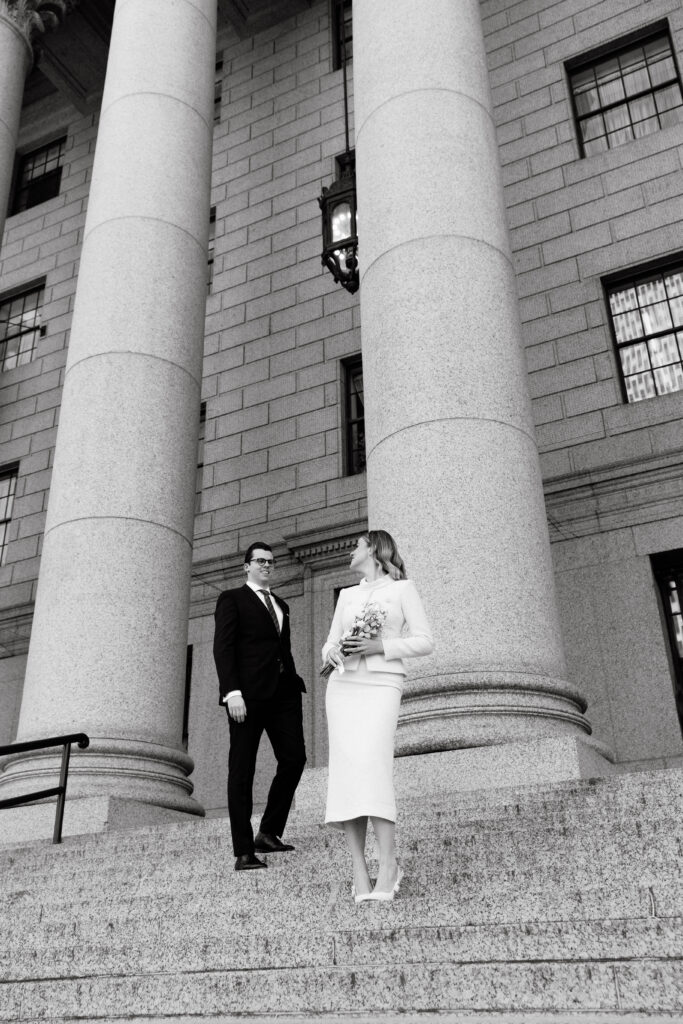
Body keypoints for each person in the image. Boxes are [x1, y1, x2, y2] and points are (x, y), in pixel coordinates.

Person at [321, 529, 434, 902]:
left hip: (382, 684)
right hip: (343, 687)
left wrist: (379, 646)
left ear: (373, 549)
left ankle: (389, 863)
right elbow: (330, 639)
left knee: (373, 767)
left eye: (355, 545)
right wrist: (331, 653)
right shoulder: (347, 596)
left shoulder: (402, 590)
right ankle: (358, 869)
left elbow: (424, 640)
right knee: (348, 774)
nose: (350, 550)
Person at [213, 541, 307, 871]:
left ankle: (268, 832)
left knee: (295, 758)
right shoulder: (232, 599)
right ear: (246, 566)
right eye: (260, 561)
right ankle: (243, 850)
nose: (266, 565)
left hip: (283, 694)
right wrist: (231, 692)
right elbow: (223, 648)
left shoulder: (281, 604)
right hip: (247, 696)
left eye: (270, 561)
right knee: (243, 770)